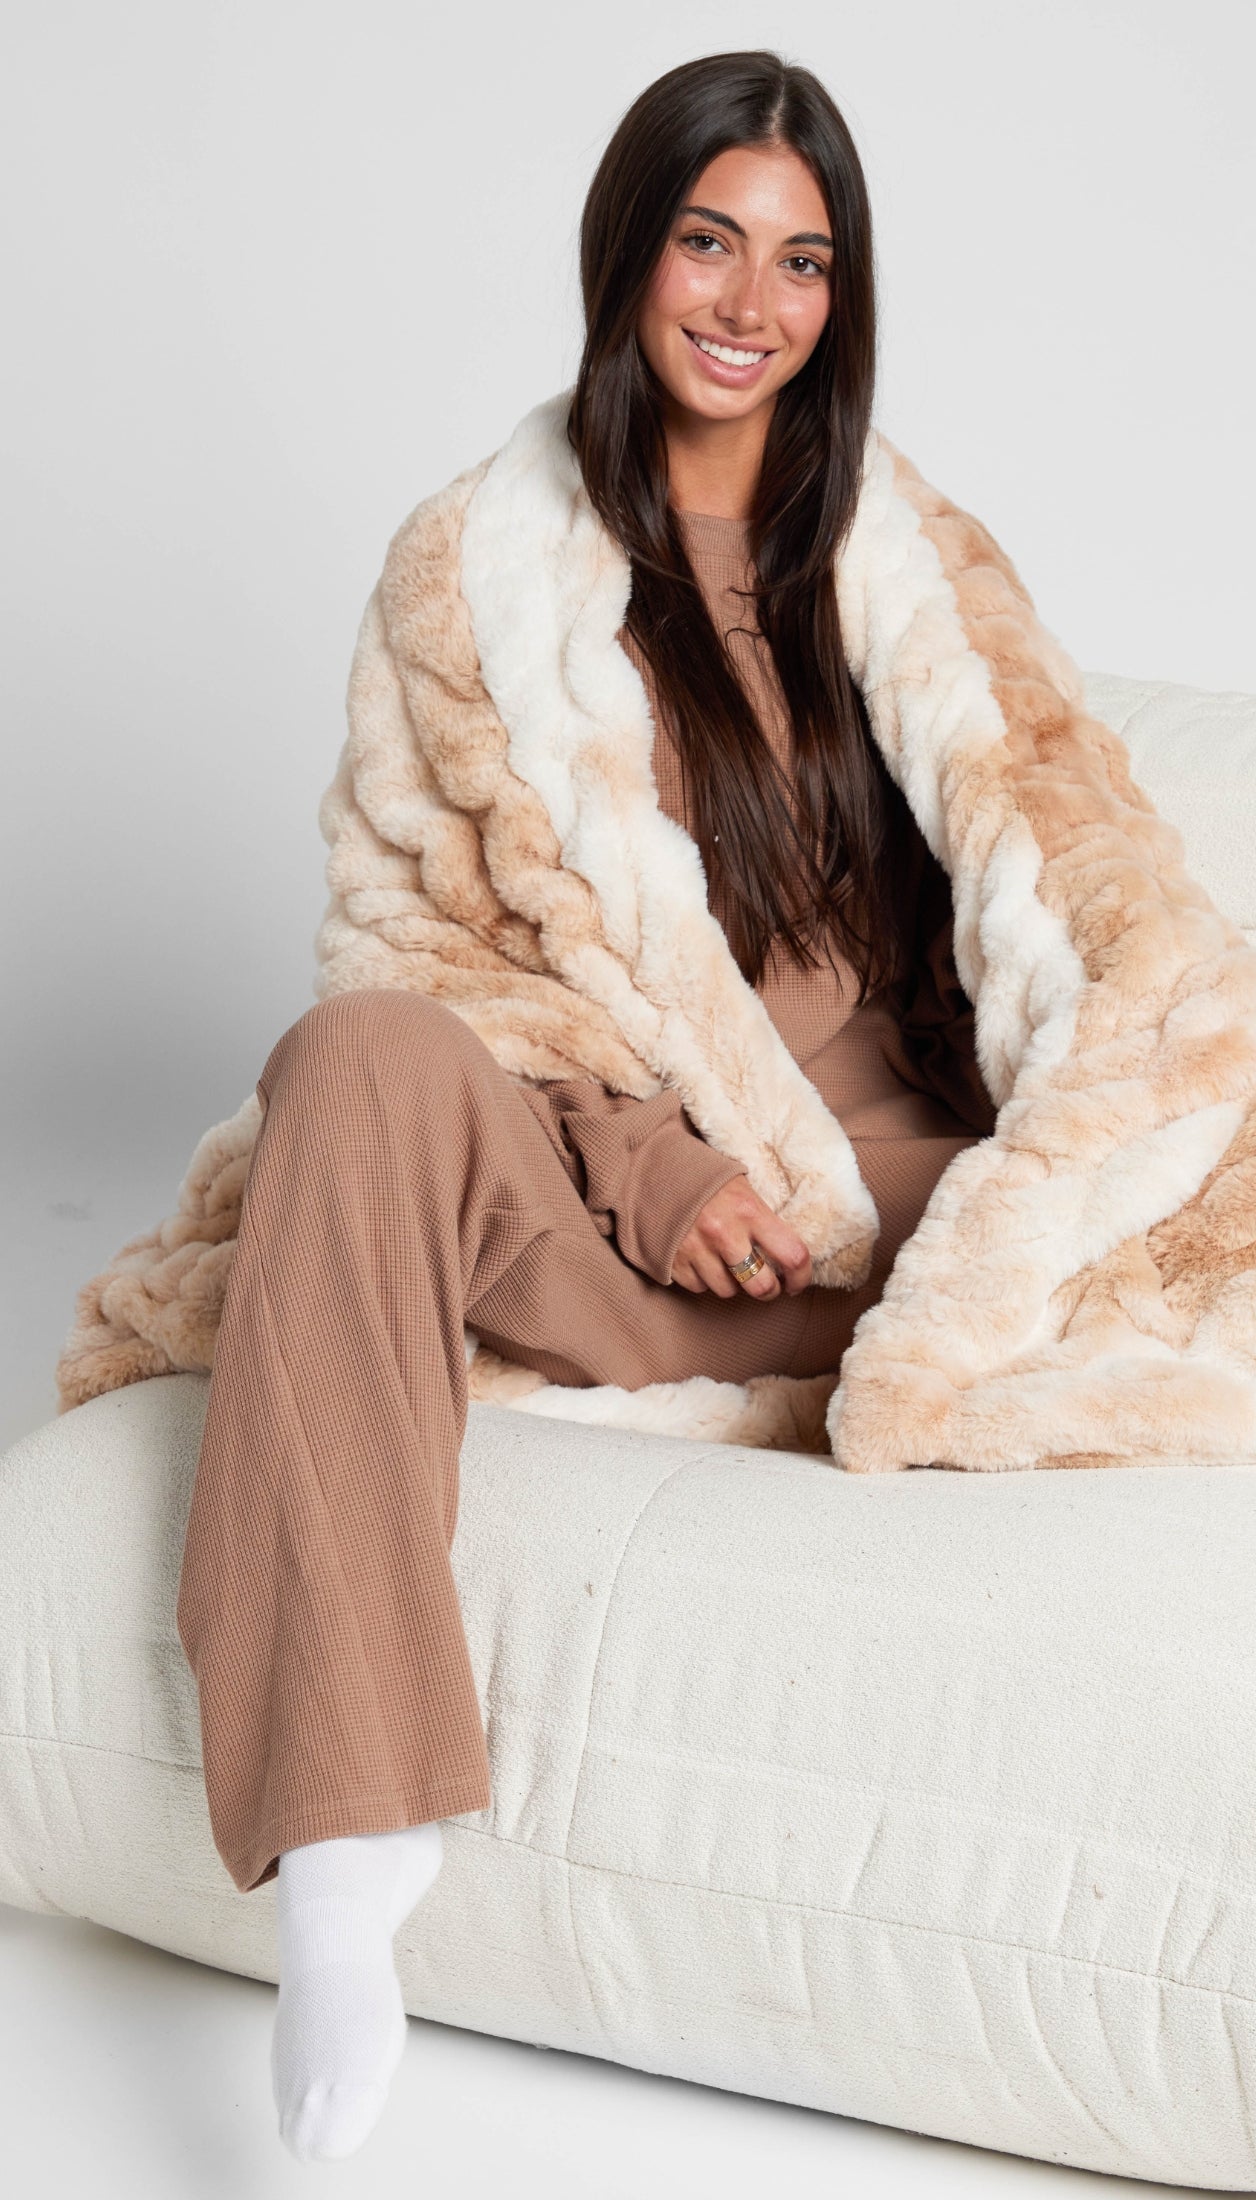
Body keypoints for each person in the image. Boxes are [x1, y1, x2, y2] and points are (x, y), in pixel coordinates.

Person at [173, 49, 999, 2164]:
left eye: (803, 261)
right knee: (349, 1066)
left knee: (1061, 1205)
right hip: (616, 1192)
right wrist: (650, 1157)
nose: (752, 302)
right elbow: (424, 941)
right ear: (628, 251)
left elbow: (1053, 888)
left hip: (894, 1218)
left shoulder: (910, 568)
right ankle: (347, 1844)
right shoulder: (477, 573)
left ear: (844, 294)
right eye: (710, 242)